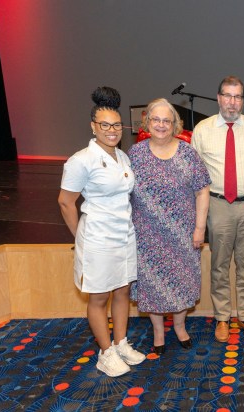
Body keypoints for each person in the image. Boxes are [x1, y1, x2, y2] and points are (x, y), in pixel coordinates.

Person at [58, 86, 145, 377]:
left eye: (116, 125)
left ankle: (120, 343)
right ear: (93, 126)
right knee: (98, 298)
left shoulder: (123, 157)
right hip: (98, 237)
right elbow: (66, 202)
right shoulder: (81, 160)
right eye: (105, 125)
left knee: (122, 290)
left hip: (124, 235)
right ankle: (105, 352)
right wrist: (80, 237)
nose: (111, 130)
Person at [129, 98, 211, 355]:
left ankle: (179, 326)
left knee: (182, 283)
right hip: (147, 236)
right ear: (147, 122)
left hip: (183, 234)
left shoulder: (188, 153)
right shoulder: (135, 154)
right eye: (156, 120)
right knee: (152, 284)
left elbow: (203, 191)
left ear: (175, 124)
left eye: (167, 120)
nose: (161, 125)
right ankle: (157, 332)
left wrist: (199, 229)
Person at [191, 76, 244, 342]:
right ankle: (222, 317)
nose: (232, 102)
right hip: (217, 205)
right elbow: (195, 173)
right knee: (220, 265)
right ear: (218, 97)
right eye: (227, 95)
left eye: (237, 97)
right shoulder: (202, 129)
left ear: (243, 100)